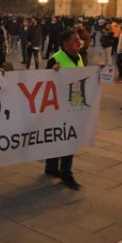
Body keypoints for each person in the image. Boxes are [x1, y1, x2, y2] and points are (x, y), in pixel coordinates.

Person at [45, 29, 84, 190]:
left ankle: (53, 167)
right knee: (63, 138)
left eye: (79, 39)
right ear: (65, 43)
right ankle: (64, 172)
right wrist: (52, 72)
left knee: (68, 137)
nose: (78, 42)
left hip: (75, 103)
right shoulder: (55, 58)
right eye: (74, 39)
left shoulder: (79, 57)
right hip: (59, 105)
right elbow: (43, 81)